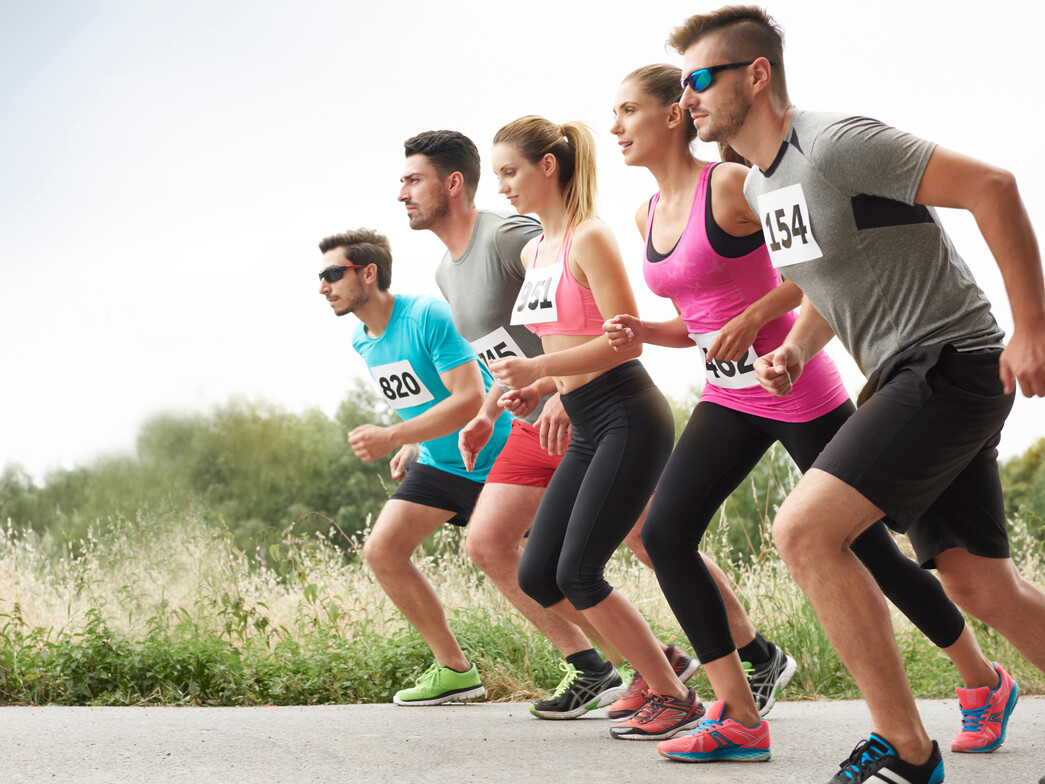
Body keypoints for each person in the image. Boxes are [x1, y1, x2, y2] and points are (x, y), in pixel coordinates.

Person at [668, 7, 1045, 782]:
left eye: (701, 79)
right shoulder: (768, 181)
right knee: (977, 583)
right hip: (912, 371)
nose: (688, 99)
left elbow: (993, 186)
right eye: (681, 84)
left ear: (757, 74)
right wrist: (796, 351)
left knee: (803, 531)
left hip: (951, 359)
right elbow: (824, 286)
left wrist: (1031, 327)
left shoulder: (835, 142)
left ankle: (905, 750)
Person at [397, 130, 639, 718]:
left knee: (652, 539)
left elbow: (574, 295)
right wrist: (483, 413)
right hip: (531, 419)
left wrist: (562, 389)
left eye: (412, 179)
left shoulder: (508, 233)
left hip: (583, 406)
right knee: (488, 543)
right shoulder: (444, 273)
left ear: (452, 184)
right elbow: (497, 352)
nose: (401, 192)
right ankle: (596, 667)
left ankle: (753, 654)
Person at [485, 115, 704, 742]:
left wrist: (540, 366)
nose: (502, 186)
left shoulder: (591, 238)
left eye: (510, 171)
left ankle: (672, 694)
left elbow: (623, 341)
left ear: (547, 166)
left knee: (580, 570)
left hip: (628, 412)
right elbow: (565, 339)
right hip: (583, 418)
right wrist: (540, 385)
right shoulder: (534, 250)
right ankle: (657, 670)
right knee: (538, 574)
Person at [317, 227, 510, 706]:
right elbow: (422, 397)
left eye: (332, 274)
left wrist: (394, 437)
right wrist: (415, 443)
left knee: (544, 574)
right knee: (383, 551)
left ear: (368, 272)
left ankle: (637, 663)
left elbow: (468, 399)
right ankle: (455, 671)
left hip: (498, 460)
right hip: (441, 464)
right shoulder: (363, 340)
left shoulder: (426, 315)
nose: (323, 286)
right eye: (321, 277)